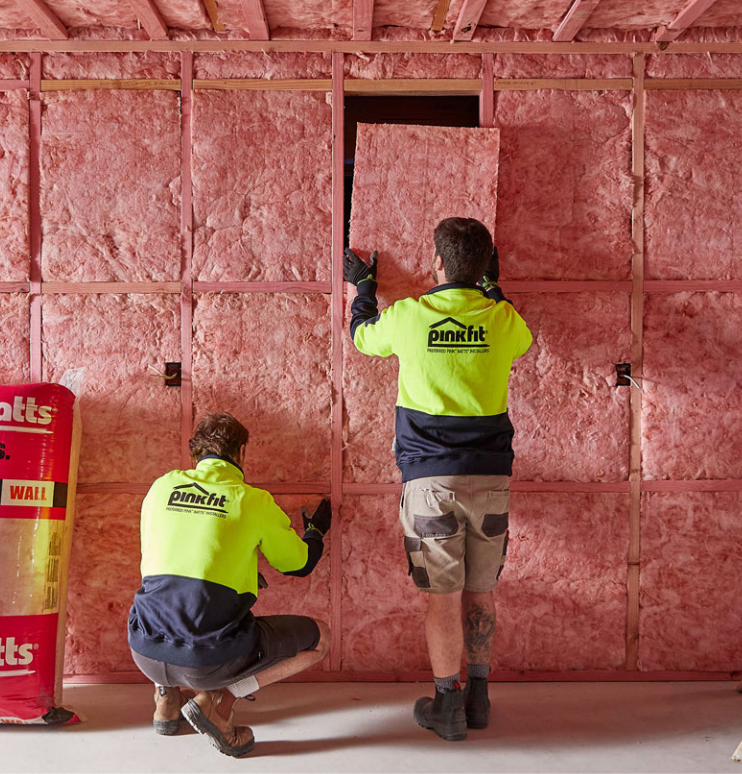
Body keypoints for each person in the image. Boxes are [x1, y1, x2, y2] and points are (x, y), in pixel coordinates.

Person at [343, 217, 532, 742]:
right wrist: (492, 286)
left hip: (431, 480)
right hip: (490, 479)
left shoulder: (409, 315)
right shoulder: (501, 320)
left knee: (443, 597)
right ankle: (479, 697)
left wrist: (363, 287)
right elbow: (519, 328)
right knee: (481, 590)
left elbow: (362, 337)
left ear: (438, 264)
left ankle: (447, 706)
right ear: (483, 267)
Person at [127, 411, 332, 758]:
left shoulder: (161, 487)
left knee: (165, 596)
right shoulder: (252, 500)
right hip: (203, 662)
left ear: (195, 454)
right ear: (240, 454)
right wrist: (315, 532)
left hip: (143, 650)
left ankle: (166, 700)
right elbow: (299, 565)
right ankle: (219, 701)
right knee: (321, 637)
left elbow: (179, 557)